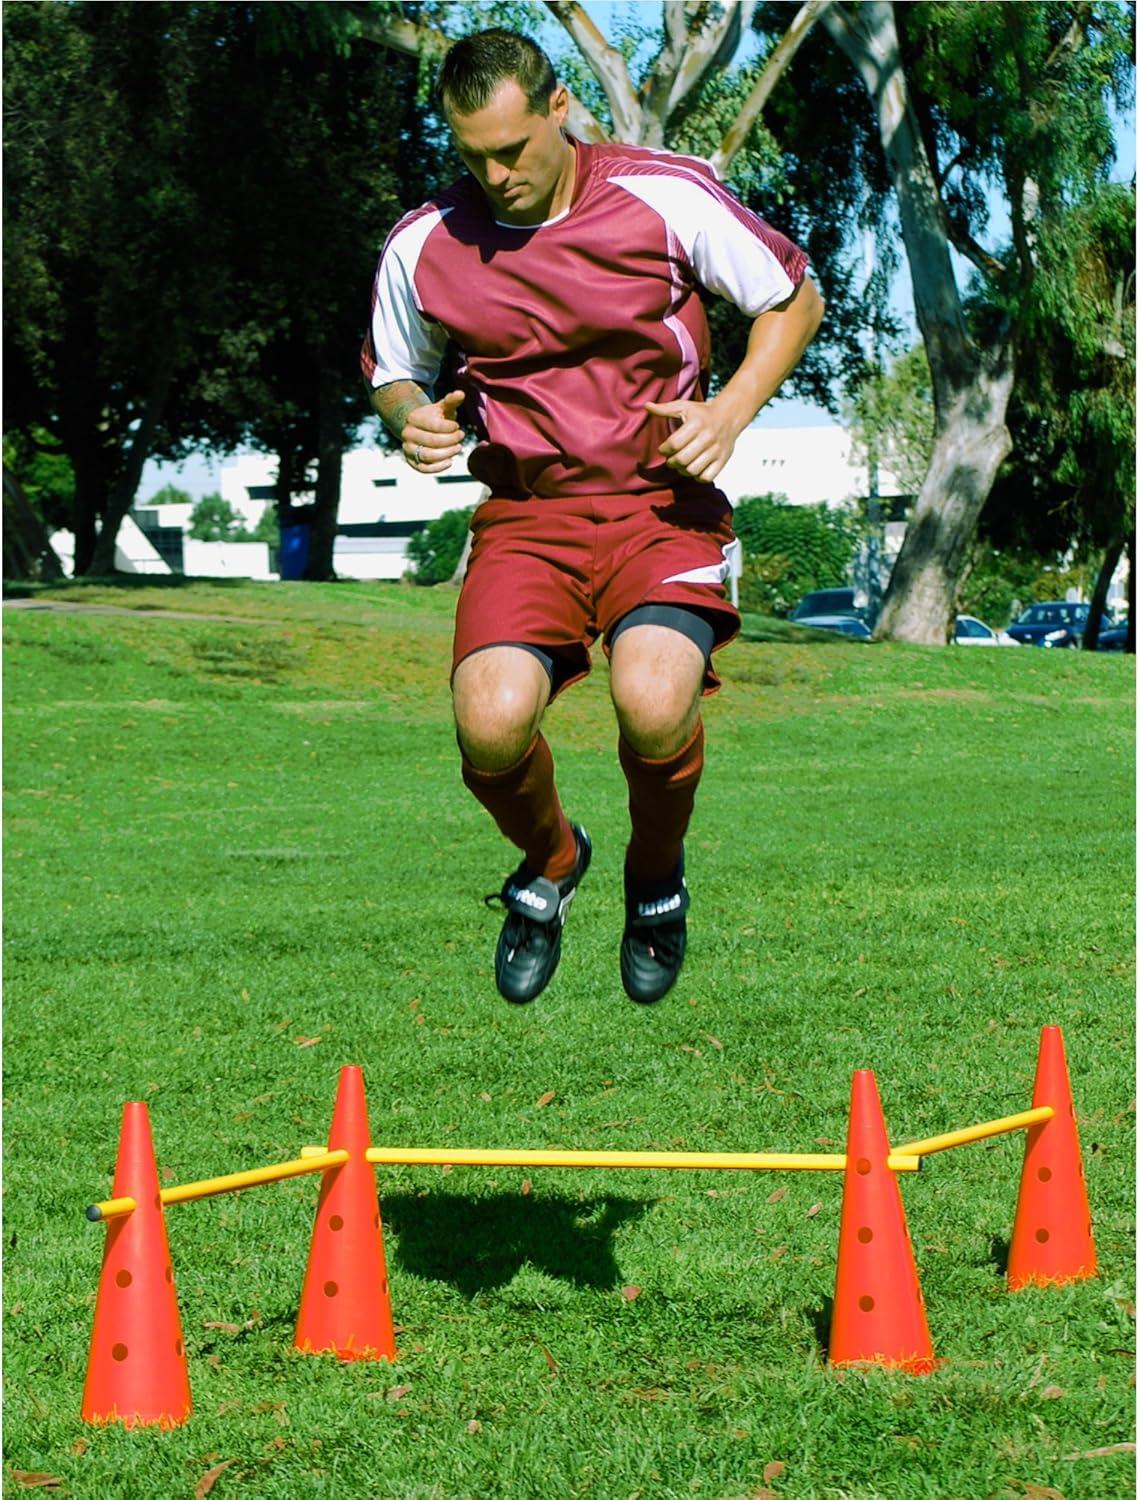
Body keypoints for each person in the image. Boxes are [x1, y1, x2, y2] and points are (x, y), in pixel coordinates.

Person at [362, 28, 823, 1005]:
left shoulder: (661, 194)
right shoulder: (423, 242)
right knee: (488, 726)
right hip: (528, 518)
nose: (494, 174)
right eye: (472, 155)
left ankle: (654, 879)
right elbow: (392, 372)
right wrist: (412, 424)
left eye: (512, 150)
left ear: (558, 108)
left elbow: (791, 297)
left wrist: (730, 411)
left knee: (654, 700)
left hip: (660, 503)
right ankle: (553, 858)